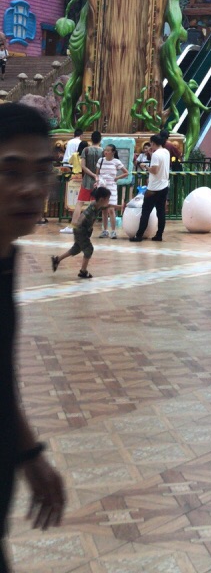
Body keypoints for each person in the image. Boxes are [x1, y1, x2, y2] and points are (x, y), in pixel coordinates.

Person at [0, 104, 66, 567]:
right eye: (10, 171)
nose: (30, 189)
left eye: (42, 172)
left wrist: (29, 454)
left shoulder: (7, 256)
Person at [51, 186, 111, 280]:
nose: (108, 201)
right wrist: (76, 224)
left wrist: (122, 207)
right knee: (89, 249)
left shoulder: (99, 205)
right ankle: (83, 271)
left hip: (83, 231)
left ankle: (57, 259)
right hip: (80, 230)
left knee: (76, 248)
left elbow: (109, 206)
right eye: (108, 199)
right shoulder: (92, 208)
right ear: (102, 199)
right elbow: (83, 215)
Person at [129, 134, 170, 243]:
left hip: (153, 188)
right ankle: (159, 234)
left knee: (146, 211)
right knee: (161, 212)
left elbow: (155, 170)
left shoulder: (156, 154)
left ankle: (139, 235)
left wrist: (145, 167)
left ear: (153, 143)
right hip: (164, 186)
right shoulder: (166, 152)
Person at [95, 144, 128, 239]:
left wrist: (117, 178)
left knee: (111, 209)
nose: (106, 152)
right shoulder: (100, 161)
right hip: (102, 187)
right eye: (105, 150)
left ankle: (113, 231)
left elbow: (126, 172)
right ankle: (105, 230)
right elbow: (97, 174)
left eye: (108, 150)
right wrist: (97, 182)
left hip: (112, 187)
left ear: (113, 152)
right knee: (104, 209)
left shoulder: (116, 162)